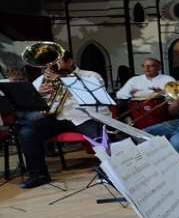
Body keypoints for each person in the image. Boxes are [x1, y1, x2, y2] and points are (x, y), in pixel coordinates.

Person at [18, 50, 111, 189]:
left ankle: (109, 173)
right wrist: (38, 94)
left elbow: (94, 97)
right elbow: (31, 103)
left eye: (57, 61)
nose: (52, 65)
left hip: (86, 117)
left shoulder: (90, 75)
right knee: (28, 132)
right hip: (58, 117)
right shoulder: (42, 79)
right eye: (50, 62)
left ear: (70, 62)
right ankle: (39, 175)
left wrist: (62, 80)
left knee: (98, 136)